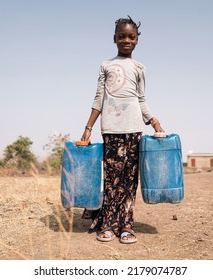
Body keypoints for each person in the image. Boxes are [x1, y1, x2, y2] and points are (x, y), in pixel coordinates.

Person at [81, 15, 165, 244]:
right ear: (114, 39)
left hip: (134, 128)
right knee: (112, 179)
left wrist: (154, 122)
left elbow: (141, 99)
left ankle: (127, 225)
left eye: (131, 37)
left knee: (129, 180)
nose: (126, 40)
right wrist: (88, 128)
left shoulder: (139, 67)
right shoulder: (105, 65)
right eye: (122, 36)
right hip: (110, 129)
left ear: (137, 40)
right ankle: (108, 224)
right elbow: (99, 98)